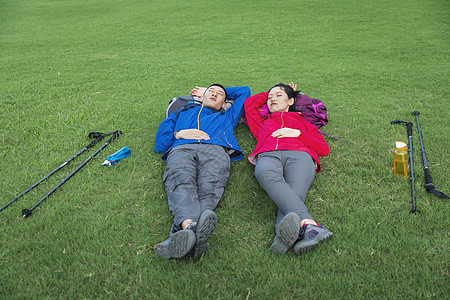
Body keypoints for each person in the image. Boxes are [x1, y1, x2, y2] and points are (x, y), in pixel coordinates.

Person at [154, 84, 251, 259]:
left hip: (216, 150)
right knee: (180, 181)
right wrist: (179, 134)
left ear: (224, 103)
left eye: (219, 94)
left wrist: (209, 88)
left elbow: (245, 91)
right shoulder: (181, 112)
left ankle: (184, 231)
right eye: (211, 92)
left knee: (209, 188)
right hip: (182, 148)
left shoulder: (228, 115)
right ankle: (195, 235)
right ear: (200, 98)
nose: (215, 94)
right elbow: (160, 145)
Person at [244, 83, 332, 254]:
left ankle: (282, 238)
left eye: (278, 95)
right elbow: (249, 104)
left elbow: (324, 149)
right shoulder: (261, 122)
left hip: (300, 155)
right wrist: (270, 92)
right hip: (268, 154)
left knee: (293, 195)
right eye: (270, 98)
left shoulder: (303, 122)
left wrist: (298, 134)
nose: (272, 99)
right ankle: (309, 224)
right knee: (262, 172)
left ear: (291, 101)